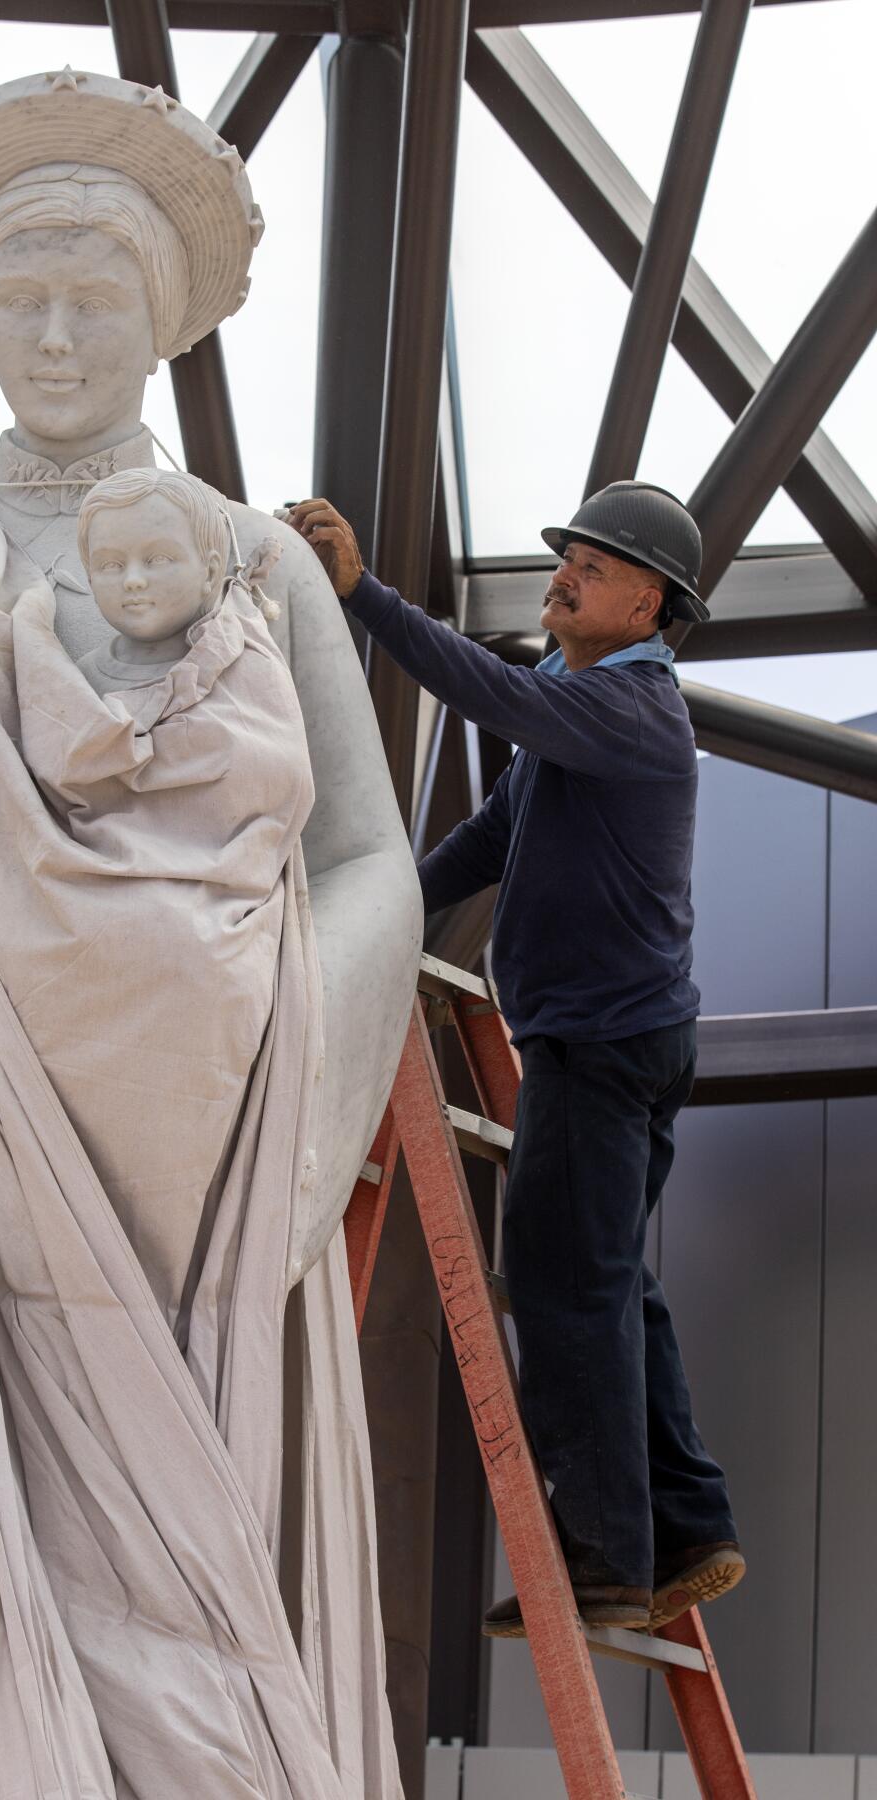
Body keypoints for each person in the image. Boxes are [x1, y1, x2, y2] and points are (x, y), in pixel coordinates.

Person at [0, 72, 418, 1800]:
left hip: (188, 1208)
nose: (52, 336)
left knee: (191, 1638)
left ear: (160, 327)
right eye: (21, 299)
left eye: (93, 300)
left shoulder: (256, 566)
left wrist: (255, 1058)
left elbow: (368, 866)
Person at [289, 481, 744, 1637]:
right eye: (566, 559)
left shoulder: (631, 713)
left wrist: (365, 598)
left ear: (649, 607)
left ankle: (604, 1564)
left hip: (597, 1046)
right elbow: (497, 835)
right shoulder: (575, 699)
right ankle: (688, 1526)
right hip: (618, 1036)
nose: (563, 576)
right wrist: (387, 901)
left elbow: (475, 685)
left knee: (561, 1282)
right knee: (616, 1285)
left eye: (591, 568)